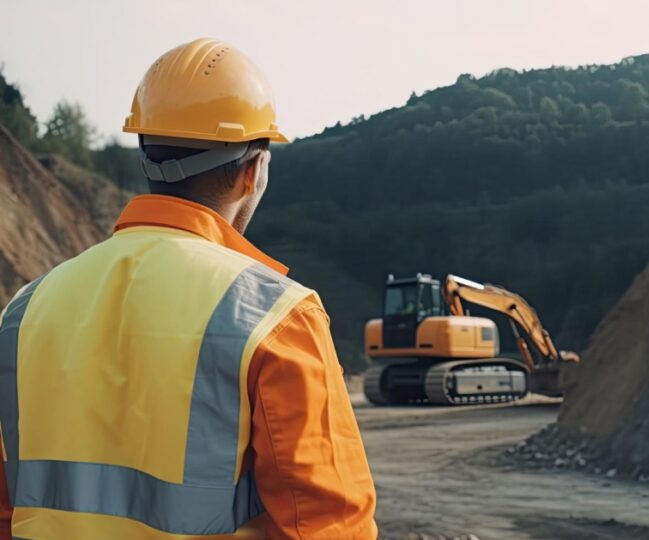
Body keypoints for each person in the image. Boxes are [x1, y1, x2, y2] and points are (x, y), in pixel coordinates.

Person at [0, 38, 377, 540]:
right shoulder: (278, 317)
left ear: (146, 156)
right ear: (253, 170)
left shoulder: (24, 312)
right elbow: (330, 527)